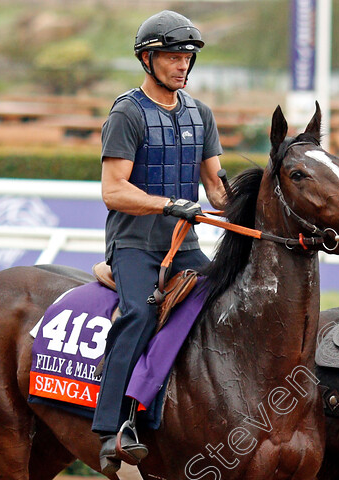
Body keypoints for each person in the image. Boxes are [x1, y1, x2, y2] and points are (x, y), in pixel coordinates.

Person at [92, 10, 226, 475]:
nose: (182, 65)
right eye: (172, 56)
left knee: (226, 299)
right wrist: (169, 203)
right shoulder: (127, 113)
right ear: (147, 60)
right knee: (140, 312)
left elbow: (216, 189)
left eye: (187, 57)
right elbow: (113, 190)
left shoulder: (200, 113)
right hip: (134, 245)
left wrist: (263, 202)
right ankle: (113, 427)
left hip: (185, 244)